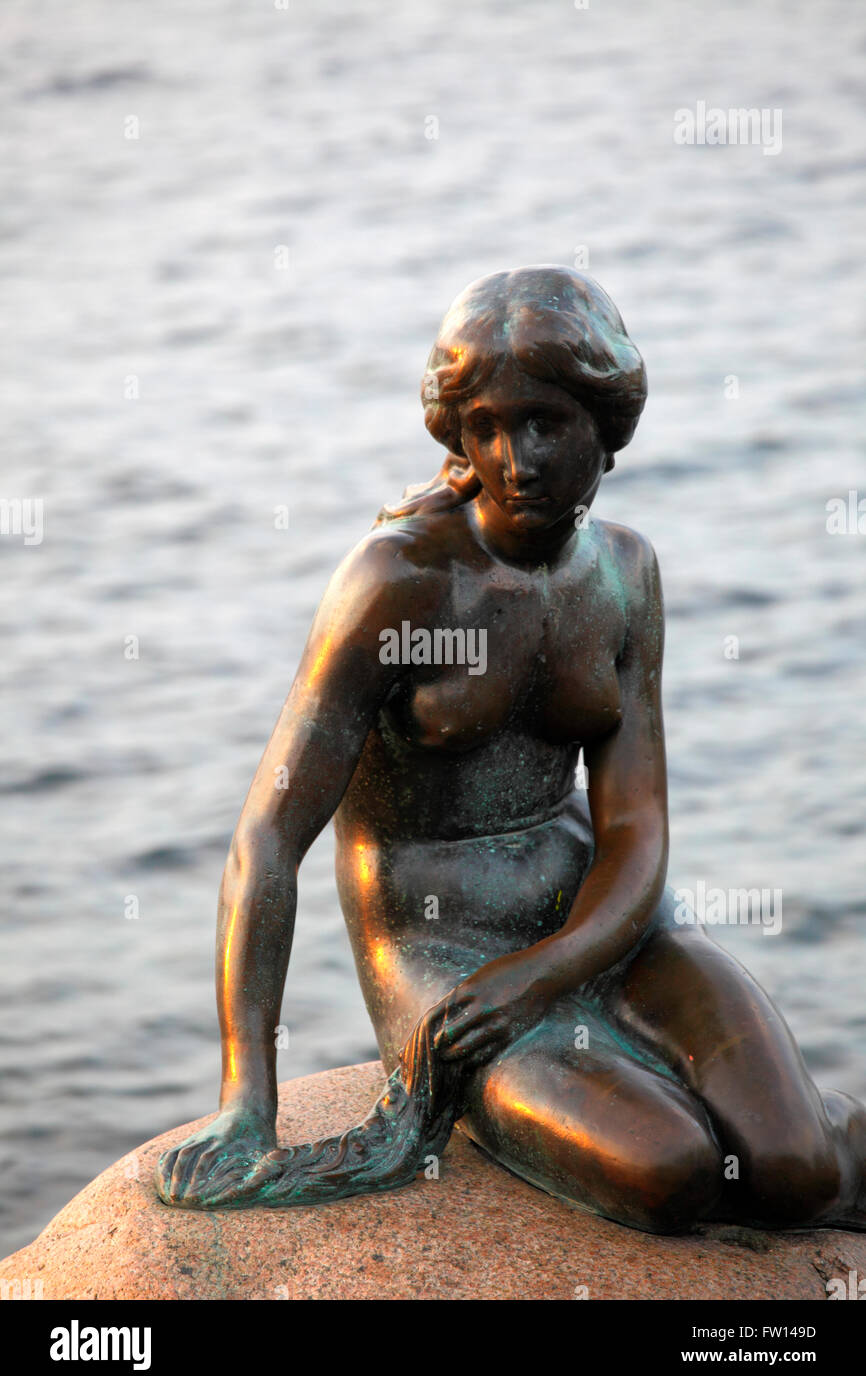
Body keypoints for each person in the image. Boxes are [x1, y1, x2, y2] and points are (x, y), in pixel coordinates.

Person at [156, 266, 866, 1232]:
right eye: (485, 426)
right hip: (444, 958)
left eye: (545, 423)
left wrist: (551, 967)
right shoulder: (398, 582)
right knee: (671, 1171)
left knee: (795, 1168)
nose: (515, 456)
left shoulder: (624, 572)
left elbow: (636, 832)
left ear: (605, 428)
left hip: (607, 925)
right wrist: (249, 1097)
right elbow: (267, 841)